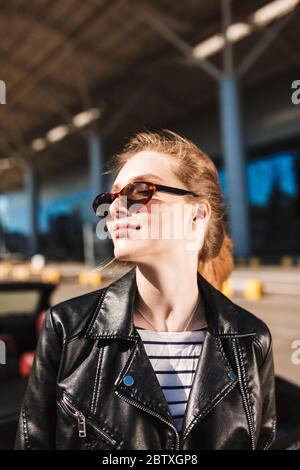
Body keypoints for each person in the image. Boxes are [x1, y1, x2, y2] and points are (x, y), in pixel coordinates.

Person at [15, 129, 276, 450]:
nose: (114, 208)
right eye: (109, 198)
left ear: (196, 216)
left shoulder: (250, 339)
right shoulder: (67, 331)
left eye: (139, 191)